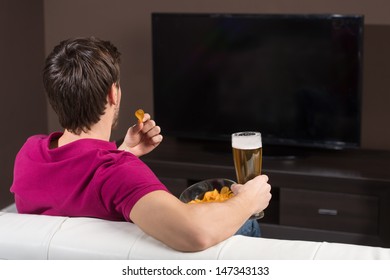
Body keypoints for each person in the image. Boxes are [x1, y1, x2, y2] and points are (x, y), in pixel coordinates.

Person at [10, 37, 272, 252]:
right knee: (245, 222)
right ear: (113, 93)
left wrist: (125, 151)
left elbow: (76, 189)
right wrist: (249, 200)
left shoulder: (30, 153)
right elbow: (196, 234)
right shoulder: (116, 171)